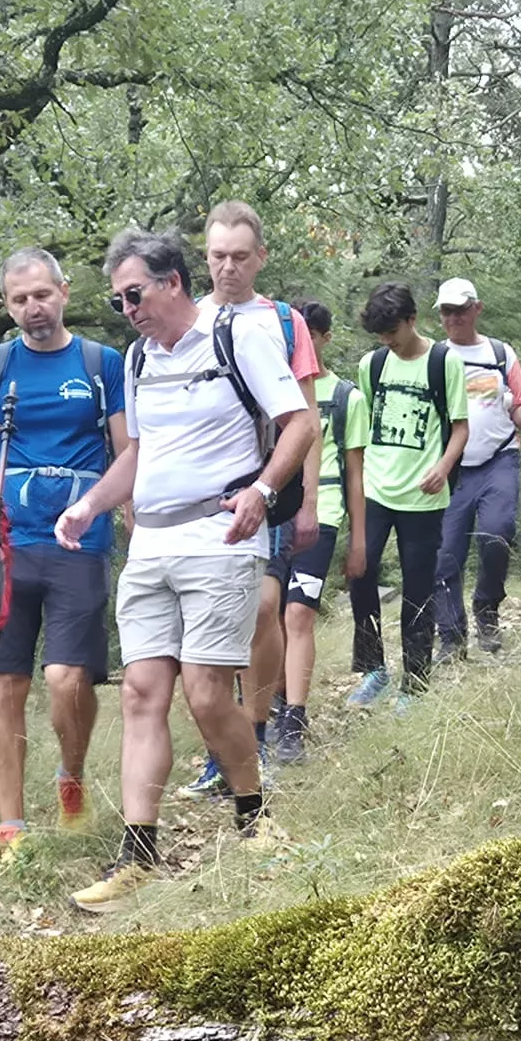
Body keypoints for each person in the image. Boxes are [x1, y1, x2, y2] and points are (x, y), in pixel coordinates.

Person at [54, 229, 315, 913]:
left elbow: (298, 424)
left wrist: (262, 491)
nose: (128, 309)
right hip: (152, 547)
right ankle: (137, 856)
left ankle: (255, 814)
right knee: (142, 693)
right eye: (117, 301)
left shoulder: (235, 338)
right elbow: (139, 452)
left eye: (134, 294)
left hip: (220, 537)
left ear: (172, 282)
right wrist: (90, 504)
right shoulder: (138, 359)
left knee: (204, 695)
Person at [0, 249, 128, 847]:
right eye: (20, 300)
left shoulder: (103, 364)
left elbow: (129, 450)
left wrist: (100, 506)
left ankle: (71, 774)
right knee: (5, 684)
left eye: (42, 295)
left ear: (64, 291)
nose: (33, 308)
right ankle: (12, 825)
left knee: (65, 679)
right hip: (6, 547)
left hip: (79, 543)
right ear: (8, 305)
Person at [179, 201, 324, 797]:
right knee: (214, 622)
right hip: (199, 499)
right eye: (217, 257)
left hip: (269, 490)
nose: (227, 268)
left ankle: (256, 730)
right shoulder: (186, 321)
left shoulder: (284, 323)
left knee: (263, 610)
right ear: (204, 257)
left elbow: (306, 416)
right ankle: (223, 744)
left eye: (240, 257)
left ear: (260, 257)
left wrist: (307, 499)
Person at [345, 282, 469, 706]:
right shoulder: (373, 364)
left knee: (417, 589)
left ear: (412, 321)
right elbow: (362, 426)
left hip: (422, 496)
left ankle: (414, 683)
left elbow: (460, 427)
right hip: (377, 490)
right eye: (380, 336)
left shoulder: (442, 362)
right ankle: (374, 668)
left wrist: (443, 466)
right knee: (360, 573)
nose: (387, 342)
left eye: (392, 333)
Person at [430, 278, 521, 660]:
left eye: (461, 310)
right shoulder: (434, 356)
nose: (453, 318)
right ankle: (450, 636)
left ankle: (487, 608)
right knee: (445, 552)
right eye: (446, 311)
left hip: (499, 457)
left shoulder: (500, 353)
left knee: (497, 532)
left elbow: (520, 414)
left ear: (477, 309)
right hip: (450, 466)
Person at [274, 302, 367, 762]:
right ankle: (269, 703)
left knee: (298, 615)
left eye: (312, 335)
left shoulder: (345, 396)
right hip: (271, 515)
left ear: (326, 338)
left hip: (322, 513)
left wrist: (359, 538)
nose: (304, 343)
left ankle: (295, 716)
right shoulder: (267, 384)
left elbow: (355, 474)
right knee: (266, 616)